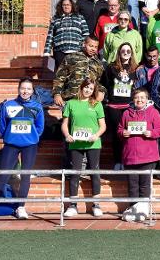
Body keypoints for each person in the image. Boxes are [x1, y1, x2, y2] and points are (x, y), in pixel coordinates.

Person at [0, 78, 44, 223]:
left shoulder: (37, 107)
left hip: (29, 145)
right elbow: (3, 125)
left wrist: (32, 137)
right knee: (3, 175)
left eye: (29, 89)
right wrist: (9, 136)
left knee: (25, 176)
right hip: (11, 145)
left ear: (32, 91)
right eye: (23, 88)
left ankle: (21, 207)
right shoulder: (8, 105)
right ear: (18, 89)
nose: (25, 91)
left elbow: (40, 127)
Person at [118, 88, 160, 221]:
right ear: (133, 99)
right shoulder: (126, 113)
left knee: (144, 185)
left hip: (148, 157)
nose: (139, 100)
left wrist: (151, 133)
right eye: (137, 97)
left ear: (147, 99)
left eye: (142, 97)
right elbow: (120, 129)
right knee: (132, 185)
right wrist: (123, 133)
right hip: (130, 156)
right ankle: (133, 209)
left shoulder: (153, 112)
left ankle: (143, 211)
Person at [61, 79, 106, 217]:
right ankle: (73, 205)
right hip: (75, 143)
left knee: (94, 172)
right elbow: (64, 124)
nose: (88, 90)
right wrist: (67, 135)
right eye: (86, 87)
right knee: (75, 173)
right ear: (81, 88)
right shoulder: (70, 103)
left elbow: (103, 126)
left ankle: (96, 204)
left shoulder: (97, 104)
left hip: (93, 144)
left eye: (91, 89)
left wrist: (96, 135)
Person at [102, 43, 139, 169]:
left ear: (131, 53)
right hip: (114, 106)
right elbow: (105, 84)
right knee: (118, 135)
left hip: (129, 106)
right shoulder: (111, 67)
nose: (126, 53)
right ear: (119, 52)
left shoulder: (135, 68)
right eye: (123, 50)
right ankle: (118, 161)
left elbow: (138, 86)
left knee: (129, 135)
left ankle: (127, 160)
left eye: (128, 51)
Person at [53, 36, 105, 107]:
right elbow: (59, 78)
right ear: (84, 44)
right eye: (91, 46)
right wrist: (57, 94)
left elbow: (101, 82)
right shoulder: (71, 57)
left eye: (96, 47)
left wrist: (102, 91)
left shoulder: (98, 63)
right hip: (71, 98)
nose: (93, 49)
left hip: (89, 101)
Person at [43, 0, 89, 70]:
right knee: (61, 75)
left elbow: (86, 34)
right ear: (61, 7)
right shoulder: (55, 19)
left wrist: (82, 46)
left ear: (72, 6)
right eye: (64, 5)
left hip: (76, 51)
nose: (66, 6)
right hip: (59, 52)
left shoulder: (80, 17)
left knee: (74, 75)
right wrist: (46, 52)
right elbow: (50, 36)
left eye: (68, 5)